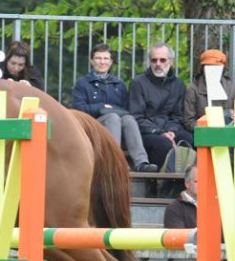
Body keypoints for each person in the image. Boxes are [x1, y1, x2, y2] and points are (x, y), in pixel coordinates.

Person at [71, 44, 157, 172]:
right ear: (92, 60)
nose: (102, 62)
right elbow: (78, 109)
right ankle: (115, 161)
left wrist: (110, 109)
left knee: (128, 118)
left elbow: (126, 109)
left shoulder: (119, 84)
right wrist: (101, 107)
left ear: (111, 62)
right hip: (92, 126)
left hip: (117, 129)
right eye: (98, 58)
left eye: (106, 59)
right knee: (113, 117)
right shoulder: (83, 83)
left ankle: (141, 162)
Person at [129, 43, 194, 170]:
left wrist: (171, 131)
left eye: (162, 60)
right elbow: (136, 117)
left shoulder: (179, 85)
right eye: (154, 60)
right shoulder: (138, 83)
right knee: (162, 144)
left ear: (171, 61)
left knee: (188, 138)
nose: (158, 64)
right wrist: (160, 132)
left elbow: (178, 116)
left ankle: (184, 182)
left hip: (170, 129)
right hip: (146, 132)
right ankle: (159, 183)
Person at [184, 49, 234, 131]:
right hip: (203, 135)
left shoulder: (230, 87)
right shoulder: (193, 89)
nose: (213, 70)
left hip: (228, 133)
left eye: (216, 67)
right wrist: (206, 127)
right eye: (209, 66)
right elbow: (188, 121)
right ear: (203, 68)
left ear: (223, 69)